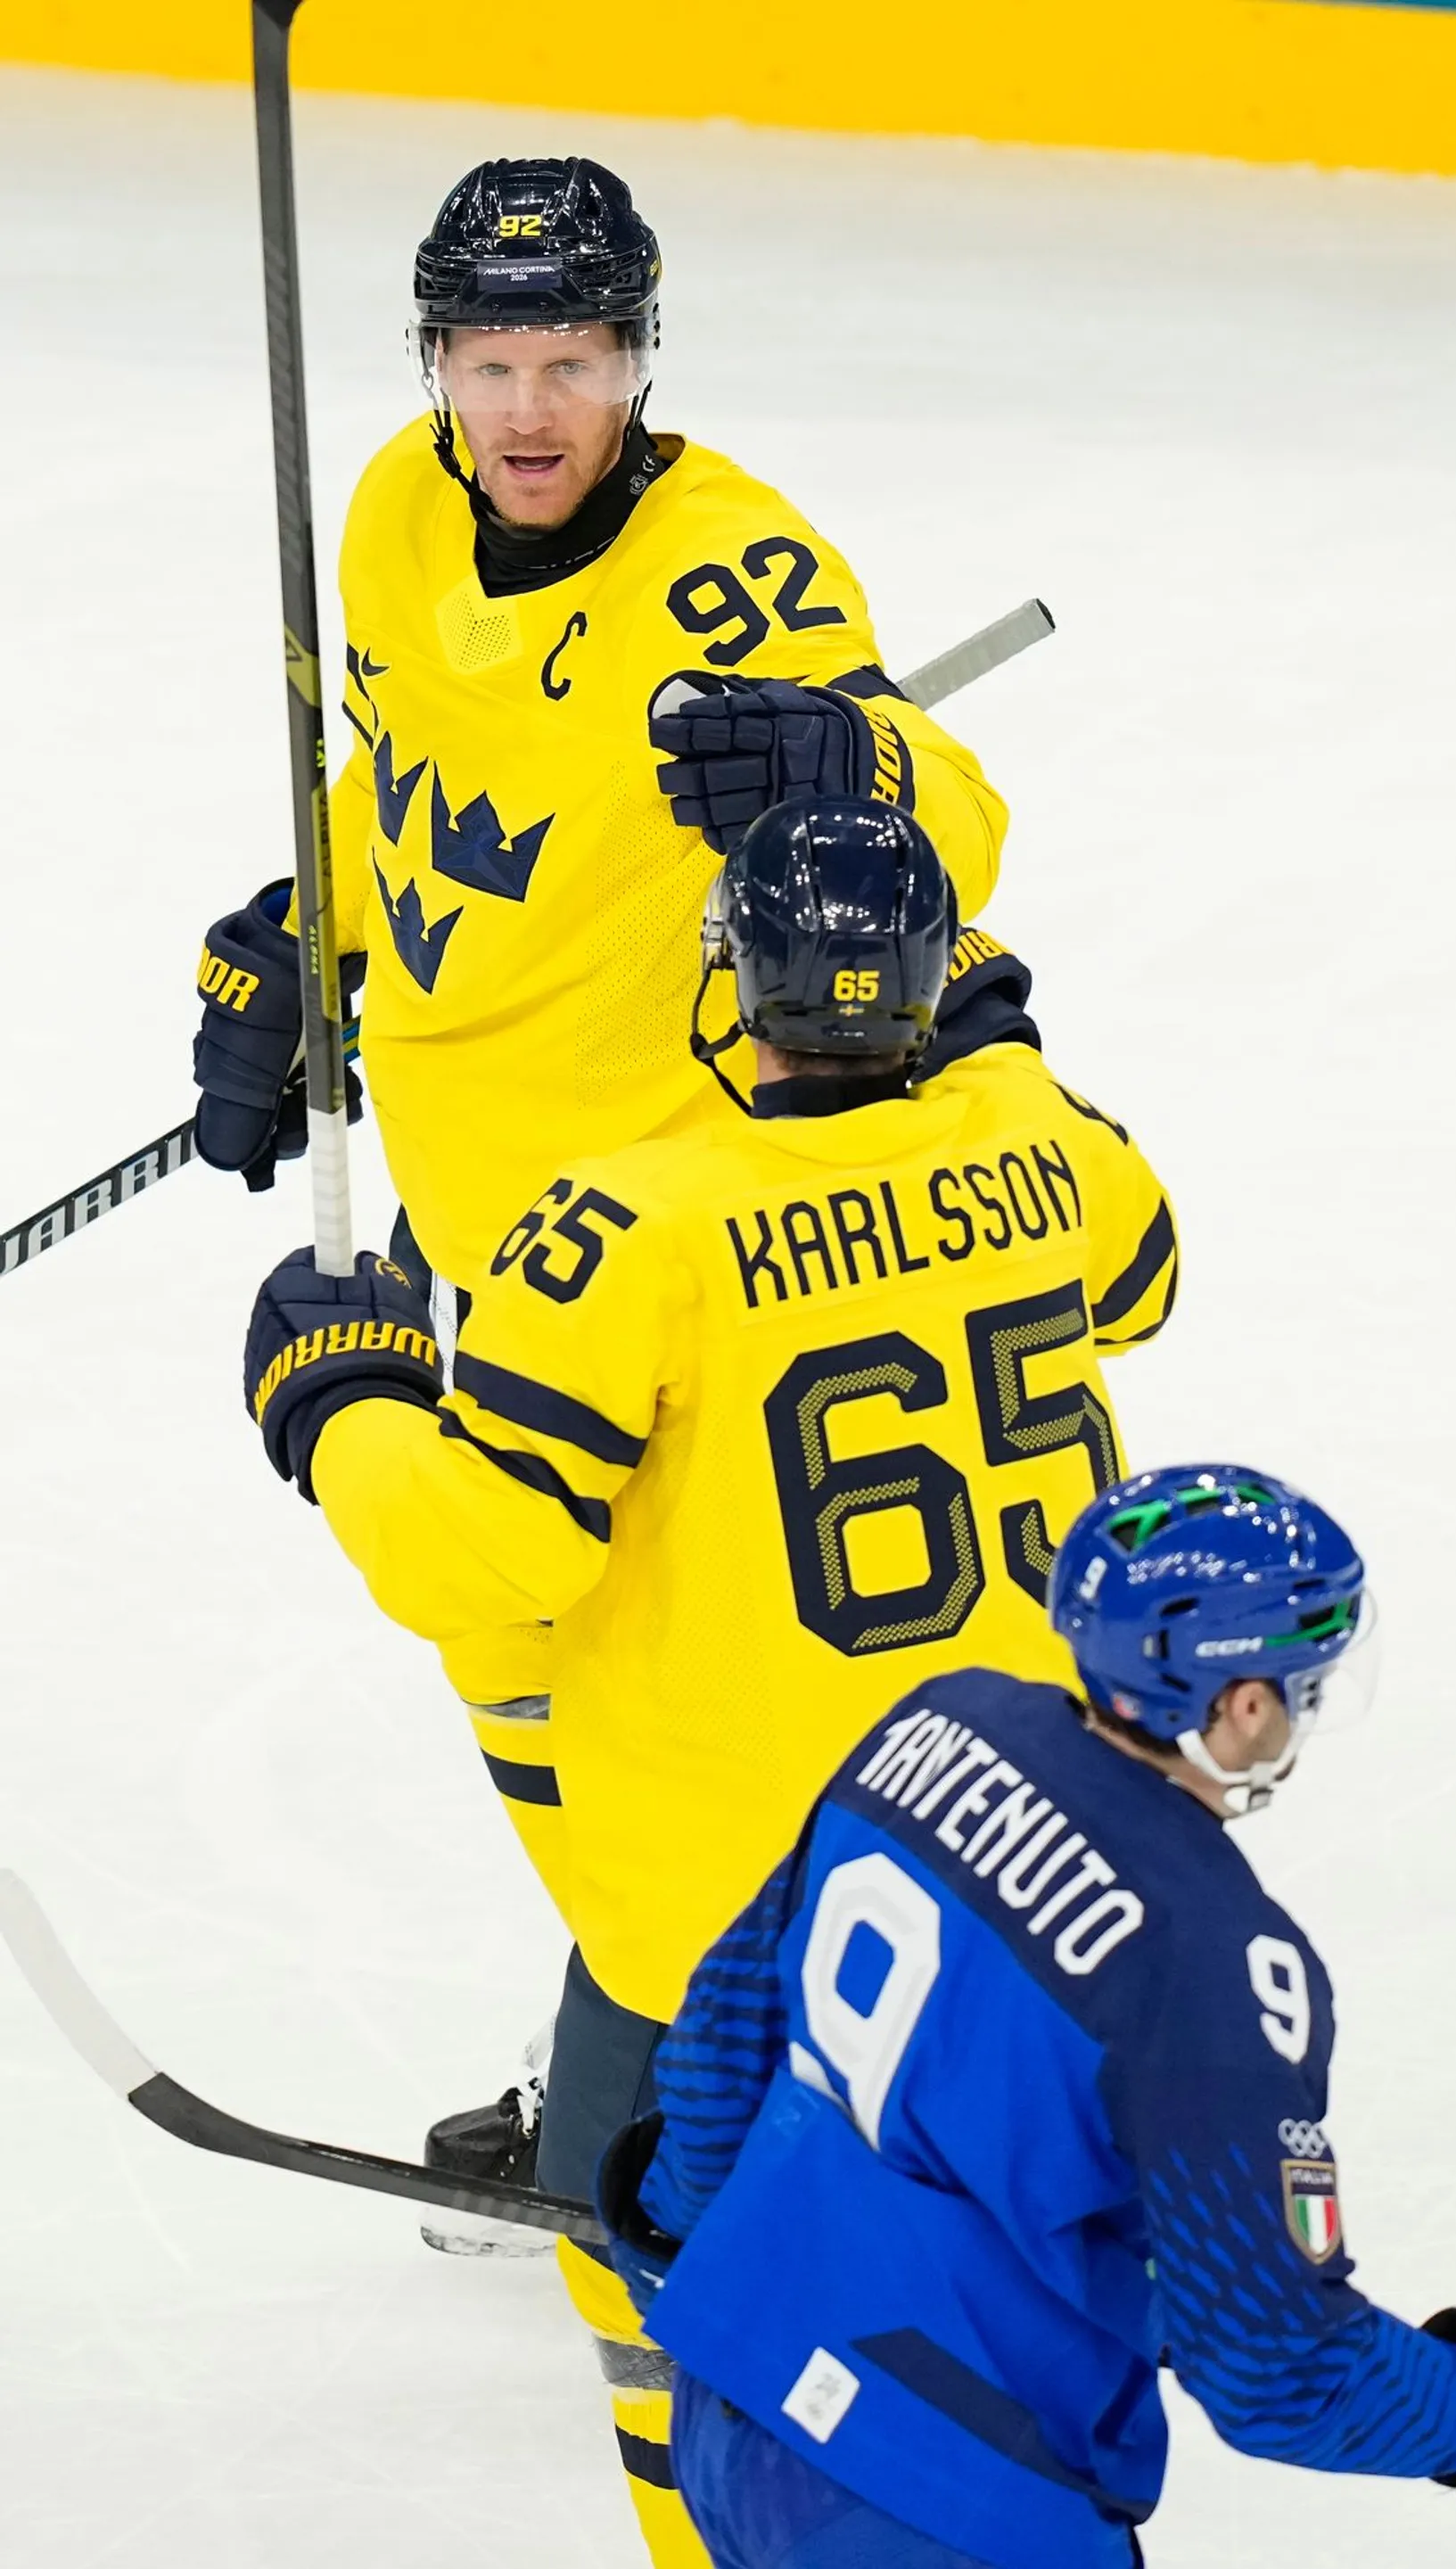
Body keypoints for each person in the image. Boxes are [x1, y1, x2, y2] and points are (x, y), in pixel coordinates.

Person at [188, 150, 1012, 2261]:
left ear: (641, 362)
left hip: (664, 1244)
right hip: (481, 1216)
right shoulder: (391, 509)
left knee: (661, 1722)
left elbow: (951, 823)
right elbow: (408, 776)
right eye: (490, 362)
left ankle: (695, 2110)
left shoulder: (733, 572)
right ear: (434, 365)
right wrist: (308, 932)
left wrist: (836, 762)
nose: (531, 408)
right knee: (530, 1696)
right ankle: (665, 2062)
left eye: (573, 360)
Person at [237, 801, 1178, 2564]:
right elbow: (1144, 1267)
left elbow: (485, 1555)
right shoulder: (1036, 1142)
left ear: (728, 980)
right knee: (992, 2327)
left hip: (750, 1921)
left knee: (667, 2288)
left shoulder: (633, 1224)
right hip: (1043, 1880)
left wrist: (339, 1399)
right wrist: (991, 1035)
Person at [593, 1469, 1456, 2569]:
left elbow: (721, 2038)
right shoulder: (1217, 1966)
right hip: (945, 2500)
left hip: (732, 2420)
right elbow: (1279, 2371)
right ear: (1241, 1704)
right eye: (1301, 1681)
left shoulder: (933, 1725)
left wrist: (694, 2250)